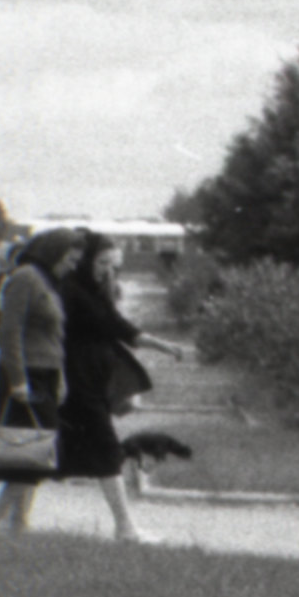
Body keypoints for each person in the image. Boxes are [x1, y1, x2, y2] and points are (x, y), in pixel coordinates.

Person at [45, 229, 187, 544]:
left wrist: (163, 345)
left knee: (63, 455)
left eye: (115, 264)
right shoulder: (72, 292)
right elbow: (113, 329)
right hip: (78, 382)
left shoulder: (93, 291)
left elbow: (120, 327)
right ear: (87, 260)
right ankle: (126, 529)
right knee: (106, 450)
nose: (109, 270)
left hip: (91, 380)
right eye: (104, 262)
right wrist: (164, 346)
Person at [0, 231, 66, 535]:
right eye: (69, 258)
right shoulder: (25, 278)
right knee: (32, 456)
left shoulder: (48, 281)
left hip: (46, 373)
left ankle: (19, 523)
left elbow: (53, 336)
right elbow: (9, 331)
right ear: (54, 253)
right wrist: (19, 380)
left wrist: (60, 376)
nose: (71, 265)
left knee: (33, 454)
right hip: (26, 376)